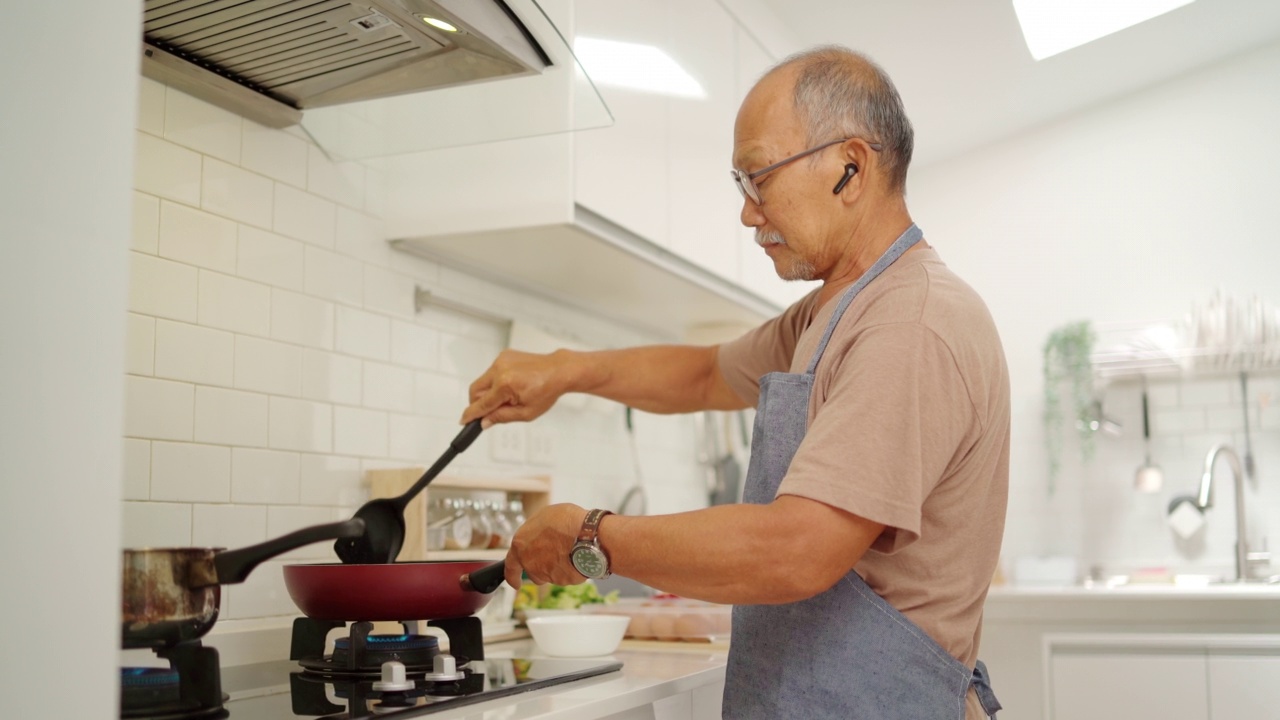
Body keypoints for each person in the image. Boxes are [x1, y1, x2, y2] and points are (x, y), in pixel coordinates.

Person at [461, 45, 1009, 720]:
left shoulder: (910, 321)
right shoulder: (832, 310)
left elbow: (796, 551)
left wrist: (591, 539)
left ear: (850, 167)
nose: (749, 213)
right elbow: (700, 375)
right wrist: (565, 369)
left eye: (759, 179)